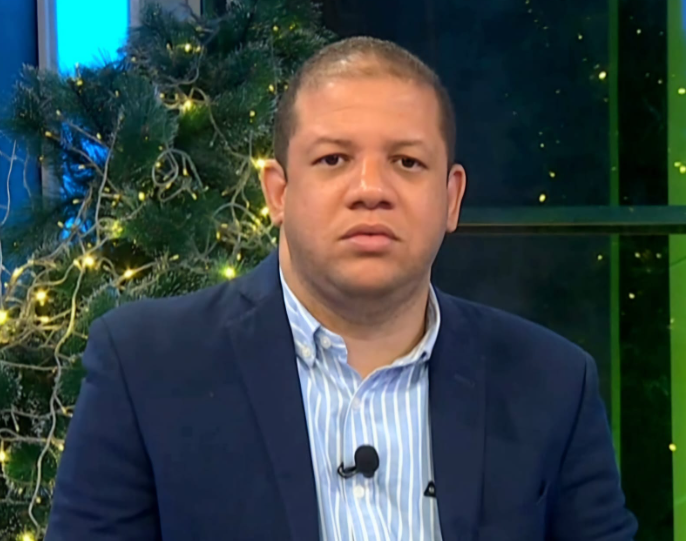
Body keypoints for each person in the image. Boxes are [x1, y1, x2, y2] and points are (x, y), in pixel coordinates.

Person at [46, 36, 638, 541]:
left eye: (407, 162)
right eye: (333, 160)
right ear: (278, 193)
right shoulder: (146, 367)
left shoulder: (553, 383)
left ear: (451, 198)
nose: (370, 190)